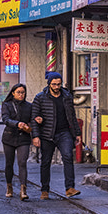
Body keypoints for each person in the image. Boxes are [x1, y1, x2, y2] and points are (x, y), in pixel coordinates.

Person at [32, 71, 81, 199]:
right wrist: (35, 136)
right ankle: (45, 190)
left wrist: (77, 133)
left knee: (68, 156)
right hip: (47, 133)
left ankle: (69, 188)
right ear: (49, 84)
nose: (56, 87)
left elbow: (72, 116)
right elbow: (34, 117)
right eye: (54, 84)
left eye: (58, 84)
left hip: (64, 132)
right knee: (46, 161)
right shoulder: (40, 97)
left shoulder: (67, 96)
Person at [0, 83, 35, 199]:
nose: (21, 95)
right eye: (19, 92)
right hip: (9, 137)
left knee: (22, 162)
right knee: (9, 163)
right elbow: (5, 119)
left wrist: (33, 124)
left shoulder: (29, 106)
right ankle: (9, 186)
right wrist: (17, 124)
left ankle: (23, 190)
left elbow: (32, 120)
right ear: (13, 93)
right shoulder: (7, 104)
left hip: (23, 137)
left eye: (23, 92)